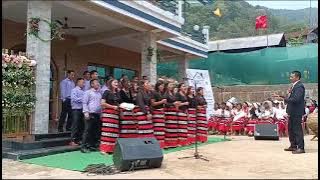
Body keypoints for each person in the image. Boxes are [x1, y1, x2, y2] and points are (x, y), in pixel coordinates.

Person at [273, 71, 306, 154]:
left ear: (297, 77)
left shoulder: (299, 86)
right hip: (292, 111)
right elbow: (291, 97)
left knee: (297, 130)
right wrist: (280, 96)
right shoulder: (294, 86)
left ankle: (301, 148)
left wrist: (283, 99)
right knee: (291, 129)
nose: (290, 78)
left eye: (292, 77)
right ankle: (293, 145)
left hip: (296, 112)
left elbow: (296, 99)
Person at [100, 79, 122, 153]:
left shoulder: (118, 93)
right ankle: (104, 149)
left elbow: (119, 103)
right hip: (108, 113)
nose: (116, 83)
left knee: (114, 131)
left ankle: (112, 149)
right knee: (107, 131)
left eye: (117, 82)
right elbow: (102, 103)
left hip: (116, 114)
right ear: (110, 83)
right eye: (115, 82)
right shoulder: (106, 92)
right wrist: (112, 107)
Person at [81, 79, 102, 153]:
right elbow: (84, 103)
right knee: (87, 130)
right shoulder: (88, 92)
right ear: (92, 84)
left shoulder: (99, 93)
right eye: (96, 83)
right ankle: (83, 146)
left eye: (98, 82)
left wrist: (101, 113)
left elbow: (100, 104)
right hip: (89, 113)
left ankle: (92, 145)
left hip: (97, 114)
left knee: (95, 131)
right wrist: (86, 112)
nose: (98, 84)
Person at [150, 80, 167, 148]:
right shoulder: (154, 93)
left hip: (161, 112)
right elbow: (153, 103)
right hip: (156, 112)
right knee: (157, 128)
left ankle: (161, 144)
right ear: (157, 86)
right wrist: (161, 102)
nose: (162, 87)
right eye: (161, 86)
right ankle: (156, 144)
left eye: (163, 86)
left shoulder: (161, 93)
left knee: (161, 129)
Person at [164, 82, 179, 148]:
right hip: (168, 112)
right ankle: (168, 143)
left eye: (172, 85)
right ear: (167, 86)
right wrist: (173, 104)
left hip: (173, 112)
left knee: (173, 127)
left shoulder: (173, 93)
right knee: (169, 127)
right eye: (170, 85)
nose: (171, 86)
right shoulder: (165, 94)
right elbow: (165, 104)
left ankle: (173, 143)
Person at [70, 78, 85, 146]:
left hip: (82, 109)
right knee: (75, 125)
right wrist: (83, 99)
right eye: (82, 82)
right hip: (76, 109)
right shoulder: (74, 90)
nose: (83, 84)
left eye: (83, 83)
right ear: (78, 82)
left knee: (81, 125)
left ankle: (78, 140)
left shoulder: (83, 91)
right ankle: (72, 140)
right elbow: (74, 99)